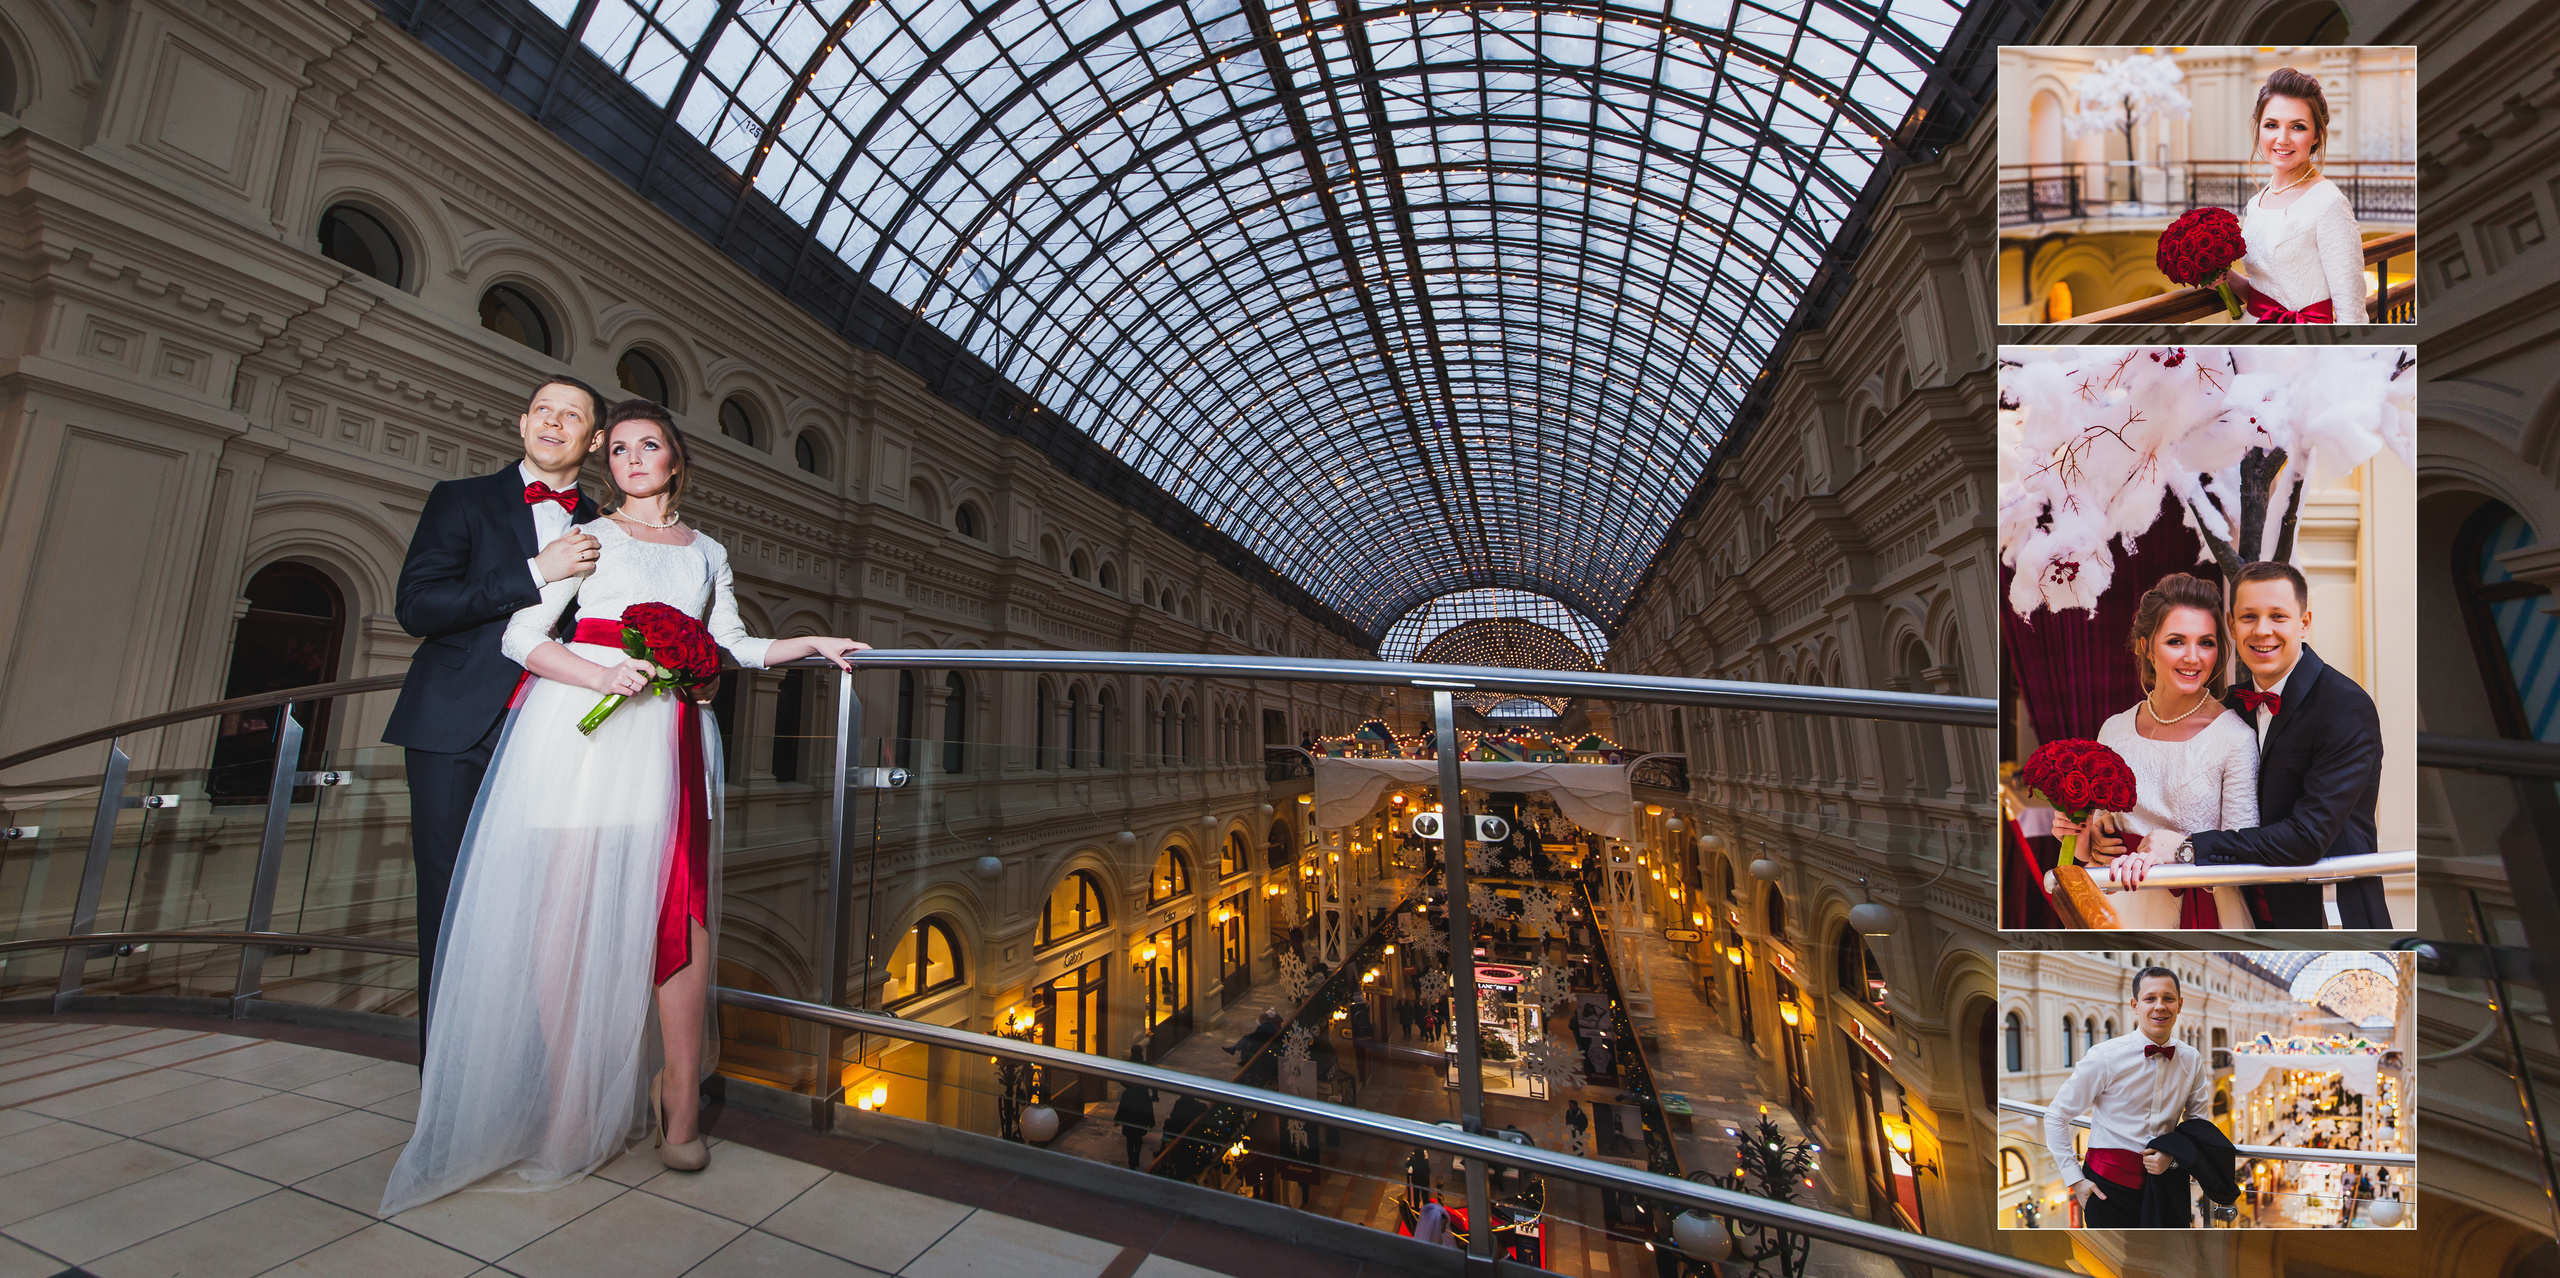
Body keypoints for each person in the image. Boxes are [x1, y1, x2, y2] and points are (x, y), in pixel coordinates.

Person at [380, 401, 868, 1214]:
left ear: (677, 461)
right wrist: (599, 675)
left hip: (674, 736)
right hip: (579, 734)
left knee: (677, 906)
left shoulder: (708, 551)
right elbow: (519, 637)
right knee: (563, 914)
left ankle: (679, 1098)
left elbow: (733, 645)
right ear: (608, 463)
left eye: (652, 446)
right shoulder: (586, 538)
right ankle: (572, 1105)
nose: (635, 457)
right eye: (623, 448)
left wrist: (811, 644)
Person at [386, 377, 606, 1049]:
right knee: (452, 906)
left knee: (534, 911)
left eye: (571, 416)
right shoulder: (462, 500)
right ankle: (446, 1086)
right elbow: (418, 608)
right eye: (543, 410)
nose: (552, 422)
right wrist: (534, 571)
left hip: (546, 738)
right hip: (454, 729)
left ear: (593, 441)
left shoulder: (600, 521)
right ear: (522, 423)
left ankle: (511, 1074)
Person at [2111, 562, 2391, 928]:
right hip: (2249, 909)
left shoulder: (2343, 706)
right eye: (2248, 617)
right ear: (2231, 625)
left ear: (2304, 623)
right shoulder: (2231, 706)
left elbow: (2308, 836)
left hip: (2327, 910)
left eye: (2278, 616)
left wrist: (2186, 848)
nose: (2262, 631)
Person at [2049, 573, 2256, 928]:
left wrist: (2181, 850)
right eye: (2176, 641)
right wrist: (2082, 837)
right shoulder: (2114, 729)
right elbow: (2096, 845)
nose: (2193, 657)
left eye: (2206, 643)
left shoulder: (2235, 737)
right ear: (2146, 646)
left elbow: (2245, 858)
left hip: (2197, 910)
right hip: (2116, 904)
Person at [2044, 967, 2212, 1228]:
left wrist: (2174, 1158)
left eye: (2168, 999)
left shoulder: (2191, 1058)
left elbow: (2198, 1125)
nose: (2160, 1007)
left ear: (2179, 1005)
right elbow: (2056, 1116)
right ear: (2135, 1005)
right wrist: (2075, 1180)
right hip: (2107, 1191)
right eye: (2150, 999)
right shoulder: (2104, 1057)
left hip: (2167, 1186)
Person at [2226, 68, 2369, 323]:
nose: (2282, 139)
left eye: (2298, 127)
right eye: (2272, 125)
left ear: (2316, 135)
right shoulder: (2256, 204)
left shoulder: (2329, 204)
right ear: (2259, 128)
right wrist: (2224, 278)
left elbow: (2352, 315)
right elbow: (2266, 291)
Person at [1114, 1047, 1158, 1170]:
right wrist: (1155, 1095)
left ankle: (1131, 1162)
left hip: (1129, 1117)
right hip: (1140, 1116)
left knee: (1130, 1140)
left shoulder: (1127, 1093)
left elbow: (1122, 1107)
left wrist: (1118, 1119)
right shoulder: (1144, 1094)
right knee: (1138, 1139)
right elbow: (1149, 1109)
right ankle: (1136, 1160)